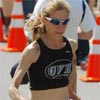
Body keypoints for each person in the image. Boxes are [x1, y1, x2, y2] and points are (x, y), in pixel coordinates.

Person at [8, 0, 80, 100]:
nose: (60, 26)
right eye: (55, 22)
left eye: (65, 22)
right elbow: (12, 87)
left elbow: (68, 76)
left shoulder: (71, 46)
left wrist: (73, 95)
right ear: (44, 20)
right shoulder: (33, 51)